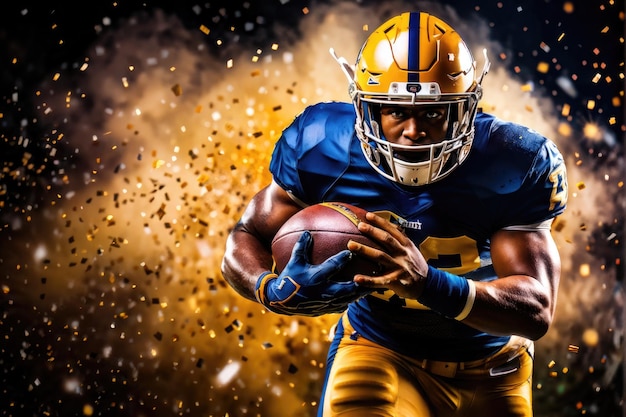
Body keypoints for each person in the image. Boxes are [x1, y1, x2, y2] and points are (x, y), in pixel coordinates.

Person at [221, 10, 568, 417]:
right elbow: (246, 235)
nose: (414, 131)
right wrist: (268, 288)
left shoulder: (512, 162)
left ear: (466, 110)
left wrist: (427, 284)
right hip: (377, 348)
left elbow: (536, 309)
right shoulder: (321, 146)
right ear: (365, 108)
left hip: (493, 363)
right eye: (395, 110)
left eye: (433, 112)